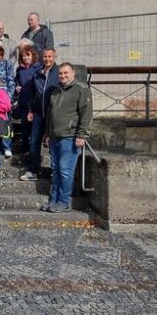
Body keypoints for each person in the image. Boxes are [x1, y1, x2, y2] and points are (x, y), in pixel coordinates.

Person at [43, 63, 93, 212]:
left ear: (73, 74)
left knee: (65, 170)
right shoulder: (56, 90)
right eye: (60, 73)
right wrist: (47, 134)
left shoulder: (81, 89)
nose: (63, 76)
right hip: (54, 136)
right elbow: (50, 115)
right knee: (56, 170)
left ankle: (64, 201)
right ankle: (53, 200)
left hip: (70, 136)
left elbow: (86, 113)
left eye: (66, 73)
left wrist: (82, 134)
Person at [23, 48, 60, 181]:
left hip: (53, 114)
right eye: (45, 57)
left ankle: (54, 171)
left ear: (55, 57)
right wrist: (30, 110)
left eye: (50, 56)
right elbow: (32, 94)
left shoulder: (59, 73)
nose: (47, 59)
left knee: (52, 143)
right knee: (34, 142)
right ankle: (33, 170)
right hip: (38, 113)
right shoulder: (37, 73)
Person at [13, 42, 41, 160]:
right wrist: (16, 87)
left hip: (34, 103)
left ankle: (34, 151)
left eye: (28, 55)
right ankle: (24, 150)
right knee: (24, 127)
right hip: (24, 102)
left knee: (34, 129)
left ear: (32, 56)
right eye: (24, 56)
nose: (26, 58)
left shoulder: (38, 68)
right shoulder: (19, 69)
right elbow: (16, 81)